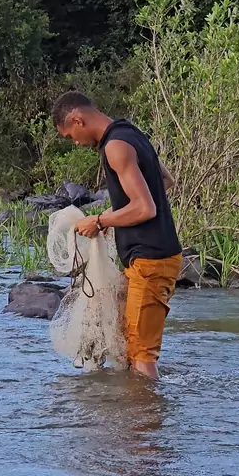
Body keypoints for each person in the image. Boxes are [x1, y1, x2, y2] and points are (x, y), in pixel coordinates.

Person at [52, 91, 182, 380]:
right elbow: (164, 180)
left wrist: (100, 220)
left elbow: (145, 207)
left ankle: (145, 409)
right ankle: (133, 407)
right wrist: (116, 214)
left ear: (78, 119)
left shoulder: (115, 146)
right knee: (130, 345)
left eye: (70, 136)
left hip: (151, 259)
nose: (75, 143)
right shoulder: (131, 133)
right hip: (152, 258)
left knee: (140, 354)